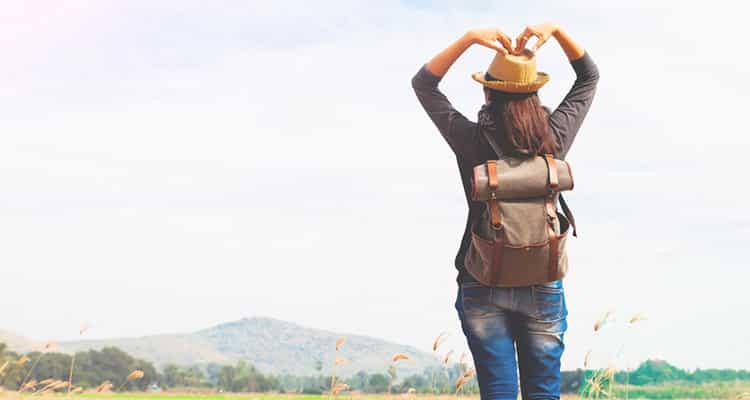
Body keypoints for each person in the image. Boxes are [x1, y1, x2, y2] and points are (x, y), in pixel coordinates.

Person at [410, 23, 599, 399]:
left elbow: (424, 84)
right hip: (543, 279)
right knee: (543, 393)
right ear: (536, 91)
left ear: (487, 89)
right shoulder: (554, 137)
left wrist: (468, 39)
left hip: (481, 279)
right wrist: (558, 32)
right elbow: (588, 77)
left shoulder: (472, 139)